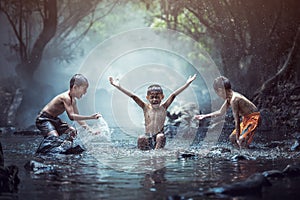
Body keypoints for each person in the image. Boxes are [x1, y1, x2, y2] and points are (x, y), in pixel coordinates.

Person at [109, 74, 196, 150]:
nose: (155, 99)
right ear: (147, 98)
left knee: (160, 136)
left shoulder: (164, 107)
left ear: (162, 97)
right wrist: (118, 87)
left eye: (157, 97)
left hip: (159, 137)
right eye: (152, 97)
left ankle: (156, 154)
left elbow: (173, 95)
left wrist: (187, 84)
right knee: (141, 138)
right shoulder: (145, 107)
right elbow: (133, 96)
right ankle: (144, 156)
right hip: (148, 136)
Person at [195, 76, 260, 148]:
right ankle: (240, 153)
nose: (219, 96)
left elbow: (237, 120)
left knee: (241, 140)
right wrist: (204, 116)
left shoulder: (234, 99)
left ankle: (246, 155)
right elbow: (220, 112)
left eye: (217, 93)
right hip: (246, 119)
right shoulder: (229, 98)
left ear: (220, 90)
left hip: (254, 119)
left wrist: (238, 138)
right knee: (232, 138)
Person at [36, 74, 101, 143]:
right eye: (84, 89)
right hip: (43, 119)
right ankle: (50, 149)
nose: (85, 92)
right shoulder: (65, 97)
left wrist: (90, 130)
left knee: (72, 131)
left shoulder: (73, 101)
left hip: (54, 119)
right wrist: (90, 117)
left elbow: (77, 118)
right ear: (75, 87)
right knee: (54, 138)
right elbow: (72, 117)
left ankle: (66, 146)